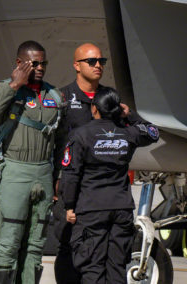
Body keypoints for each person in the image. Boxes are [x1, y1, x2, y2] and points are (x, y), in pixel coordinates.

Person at [0, 40, 67, 284]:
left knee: (36, 246)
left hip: (43, 173)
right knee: (9, 243)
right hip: (15, 172)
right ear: (20, 63)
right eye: (34, 63)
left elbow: (61, 140)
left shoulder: (53, 96)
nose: (40, 68)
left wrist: (57, 175)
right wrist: (16, 84)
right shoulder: (4, 89)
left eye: (43, 63)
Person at [60, 88, 159, 284]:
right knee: (117, 267)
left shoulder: (81, 135)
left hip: (91, 208)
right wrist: (131, 114)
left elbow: (71, 174)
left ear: (94, 109)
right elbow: (152, 132)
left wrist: (69, 205)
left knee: (92, 267)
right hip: (121, 208)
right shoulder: (129, 133)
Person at [53, 43, 130, 284]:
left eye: (101, 61)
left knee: (109, 257)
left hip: (101, 194)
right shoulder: (63, 98)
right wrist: (56, 184)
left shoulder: (109, 97)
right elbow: (52, 143)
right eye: (92, 61)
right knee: (68, 246)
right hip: (70, 187)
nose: (98, 65)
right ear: (76, 65)